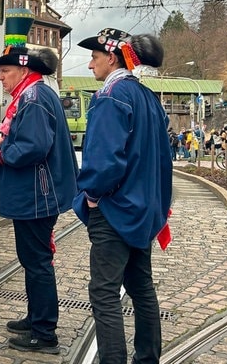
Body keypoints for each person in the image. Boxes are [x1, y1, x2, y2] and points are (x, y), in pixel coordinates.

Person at [73, 28, 172, 363]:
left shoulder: (111, 95)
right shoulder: (148, 98)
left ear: (111, 57)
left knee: (104, 292)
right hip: (143, 211)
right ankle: (147, 358)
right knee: (141, 288)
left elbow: (102, 161)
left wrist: (92, 196)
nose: (90, 65)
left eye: (94, 57)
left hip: (114, 211)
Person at [0, 46, 78, 355]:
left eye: (4, 71)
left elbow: (34, 147)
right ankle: (36, 317)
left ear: (23, 71)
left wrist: (0, 155)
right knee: (32, 260)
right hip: (36, 194)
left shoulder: (33, 99)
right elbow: (31, 139)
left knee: (37, 263)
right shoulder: (35, 93)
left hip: (37, 195)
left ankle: (44, 332)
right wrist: (6, 140)